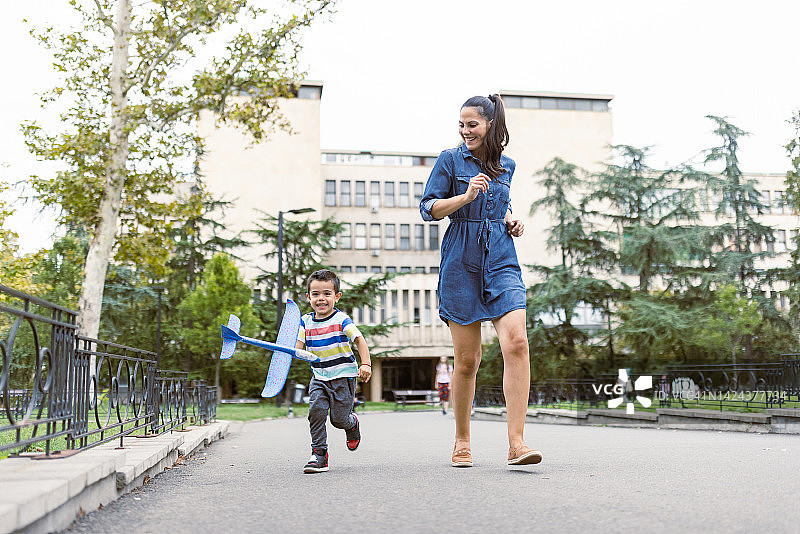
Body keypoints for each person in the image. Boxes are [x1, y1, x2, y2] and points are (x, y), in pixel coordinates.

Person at [419, 94, 542, 468]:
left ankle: (517, 443)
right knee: (468, 360)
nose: (465, 130)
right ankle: (461, 439)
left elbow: (500, 205)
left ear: (489, 124)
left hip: (502, 257)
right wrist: (465, 195)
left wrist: (510, 219)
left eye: (472, 124)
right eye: (461, 124)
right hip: (461, 260)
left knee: (517, 342)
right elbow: (428, 208)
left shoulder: (508, 165)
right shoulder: (449, 160)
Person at [296, 269, 372, 473]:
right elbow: (297, 347)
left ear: (336, 297)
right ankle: (319, 454)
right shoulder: (305, 321)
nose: (321, 299)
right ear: (308, 297)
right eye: (316, 294)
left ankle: (351, 423)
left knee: (338, 420)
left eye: (327, 293)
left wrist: (366, 364)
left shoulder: (341, 319)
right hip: (319, 377)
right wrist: (291, 351)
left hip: (343, 377)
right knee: (316, 412)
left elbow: (359, 340)